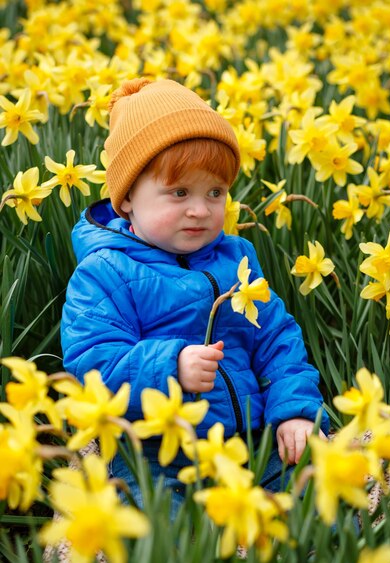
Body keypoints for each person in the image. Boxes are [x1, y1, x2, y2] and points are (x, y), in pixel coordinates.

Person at [61, 77, 329, 514]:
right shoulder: (103, 273)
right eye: (179, 192)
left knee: (324, 496)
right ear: (127, 197)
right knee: (158, 526)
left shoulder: (236, 258)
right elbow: (92, 366)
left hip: (250, 442)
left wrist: (295, 411)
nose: (201, 210)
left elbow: (277, 339)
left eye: (215, 193)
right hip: (154, 452)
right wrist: (171, 367)